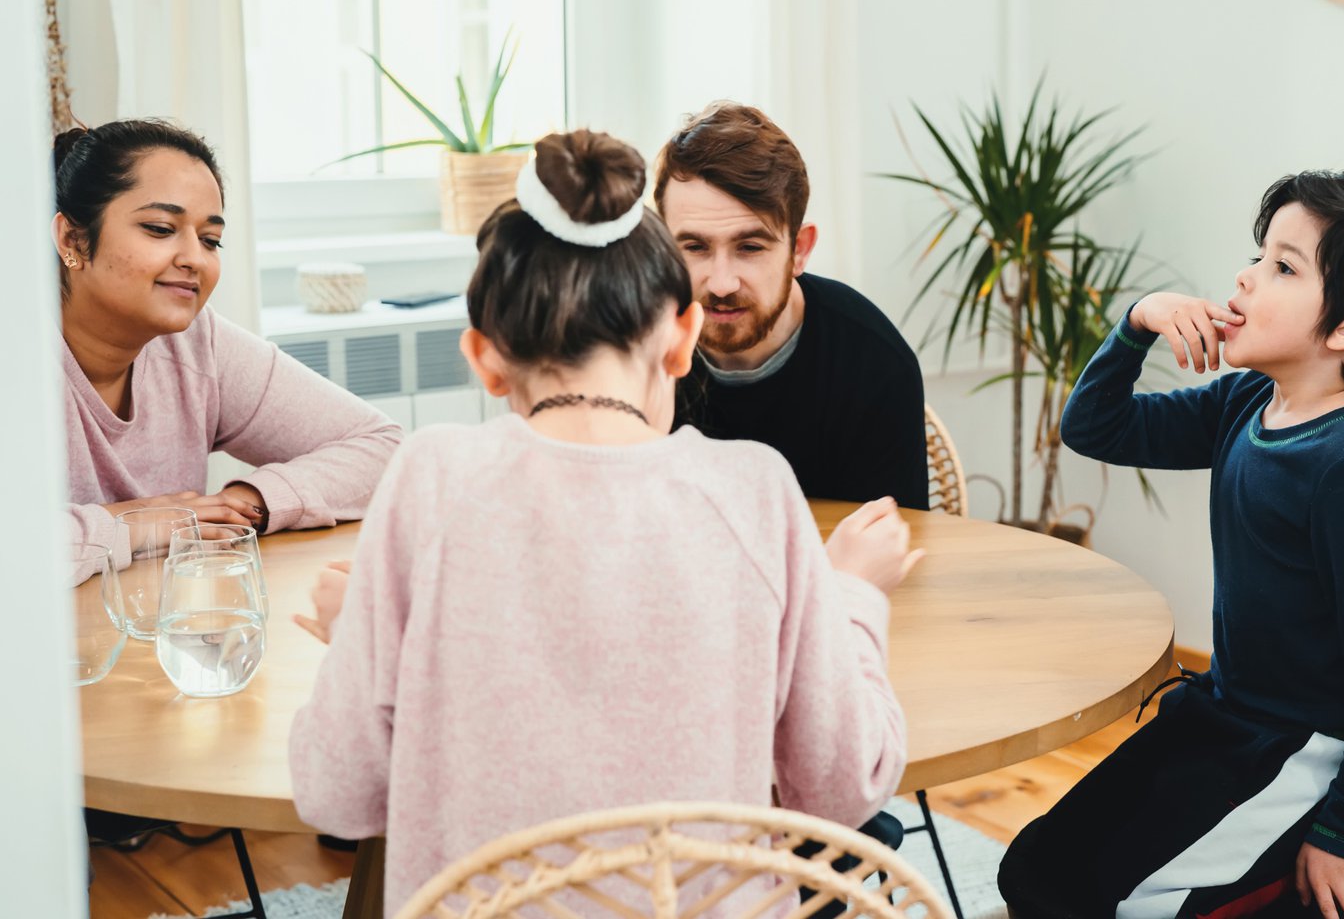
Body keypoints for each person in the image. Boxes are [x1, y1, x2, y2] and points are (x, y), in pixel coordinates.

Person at [289, 130, 920, 916]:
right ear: (683, 339)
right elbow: (843, 788)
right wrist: (852, 595)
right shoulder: (757, 489)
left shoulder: (430, 479)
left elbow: (336, 795)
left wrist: (362, 639)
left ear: (483, 359)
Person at [998, 171, 1344, 919]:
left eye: (1283, 267)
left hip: (1300, 747)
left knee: (1132, 904)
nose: (1245, 279)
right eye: (1260, 256)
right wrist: (1137, 324)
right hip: (1223, 716)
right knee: (1038, 869)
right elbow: (1097, 428)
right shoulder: (1250, 400)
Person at [55, 119, 402, 584]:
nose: (195, 258)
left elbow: (384, 449)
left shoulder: (198, 343)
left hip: (160, 638)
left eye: (210, 239)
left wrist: (247, 503)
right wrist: (138, 523)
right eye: (160, 228)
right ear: (73, 240)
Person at [654, 102, 929, 512]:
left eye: (750, 247)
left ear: (799, 250)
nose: (722, 283)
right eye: (694, 247)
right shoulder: (631, 350)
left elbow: (891, 550)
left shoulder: (875, 365)